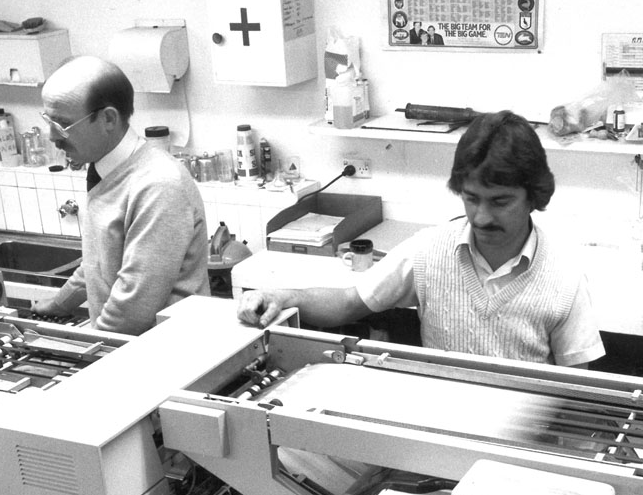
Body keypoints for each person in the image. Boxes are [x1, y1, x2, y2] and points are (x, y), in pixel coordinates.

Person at [238, 110, 605, 368]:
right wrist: (282, 297)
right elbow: (351, 301)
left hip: (519, 450)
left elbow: (574, 389)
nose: (480, 217)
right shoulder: (429, 251)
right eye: (471, 198)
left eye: (500, 202)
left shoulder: (565, 277)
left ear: (533, 196)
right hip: (438, 434)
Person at [31, 56, 210, 334]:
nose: (53, 137)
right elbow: (100, 260)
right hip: (126, 346)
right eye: (48, 121)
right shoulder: (105, 168)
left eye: (63, 124)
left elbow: (135, 304)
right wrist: (61, 303)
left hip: (166, 356)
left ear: (108, 119)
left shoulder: (158, 185)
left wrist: (93, 355)